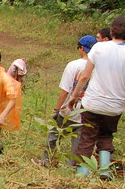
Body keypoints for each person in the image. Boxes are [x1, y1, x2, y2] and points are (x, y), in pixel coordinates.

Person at [65, 15, 125, 179]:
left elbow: (85, 76)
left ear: (111, 30)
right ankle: (105, 170)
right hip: (114, 107)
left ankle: (82, 173)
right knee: (106, 135)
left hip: (92, 103)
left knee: (87, 137)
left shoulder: (99, 48)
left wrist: (74, 96)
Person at [38, 36, 96, 167]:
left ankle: (48, 161)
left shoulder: (74, 65)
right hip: (87, 110)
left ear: (82, 48)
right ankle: (73, 166)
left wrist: (57, 109)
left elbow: (65, 91)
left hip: (69, 109)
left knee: (54, 135)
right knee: (79, 142)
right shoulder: (97, 67)